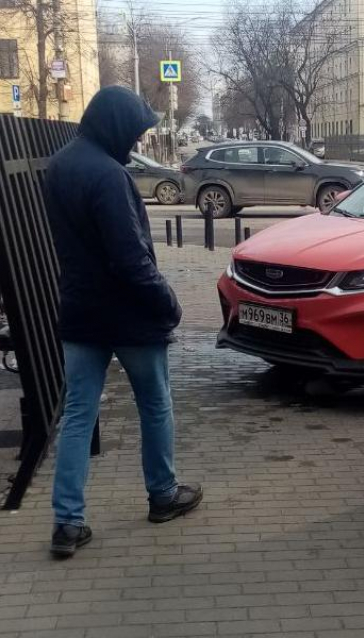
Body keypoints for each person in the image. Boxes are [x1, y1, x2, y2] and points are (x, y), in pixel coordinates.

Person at [44, 86, 202, 558]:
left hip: (80, 312)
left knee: (78, 415)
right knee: (155, 404)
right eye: (134, 134)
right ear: (113, 126)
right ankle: (163, 495)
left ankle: (66, 523)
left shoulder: (58, 166)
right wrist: (168, 303)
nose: (135, 144)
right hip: (129, 316)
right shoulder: (109, 176)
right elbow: (130, 260)